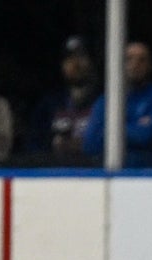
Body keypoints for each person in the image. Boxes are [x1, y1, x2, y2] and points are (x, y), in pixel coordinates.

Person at [21, 35, 100, 167]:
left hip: (92, 172)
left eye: (81, 57)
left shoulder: (104, 103)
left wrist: (84, 146)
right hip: (55, 173)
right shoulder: (49, 104)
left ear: (91, 62)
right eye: (69, 58)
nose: (75, 63)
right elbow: (34, 145)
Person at [82, 41, 152, 168]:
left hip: (149, 175)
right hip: (112, 173)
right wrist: (135, 127)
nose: (135, 64)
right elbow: (90, 143)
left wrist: (108, 131)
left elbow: (147, 135)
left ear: (150, 66)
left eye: (142, 60)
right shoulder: (106, 101)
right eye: (129, 59)